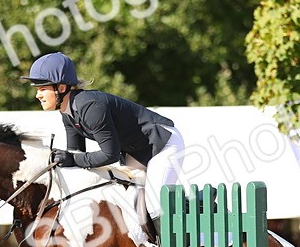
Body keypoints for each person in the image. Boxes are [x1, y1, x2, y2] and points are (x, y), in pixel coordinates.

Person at [20, 52, 185, 220]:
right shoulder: (67, 112)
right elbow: (75, 154)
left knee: (154, 205)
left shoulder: (90, 106)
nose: (37, 95)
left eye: (42, 89)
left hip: (162, 142)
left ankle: (194, 239)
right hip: (137, 151)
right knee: (129, 206)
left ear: (61, 88)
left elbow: (109, 154)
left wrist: (72, 159)